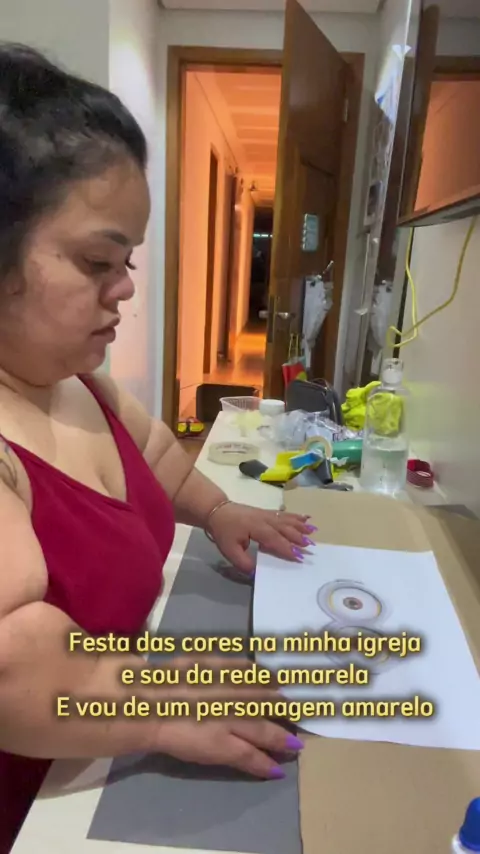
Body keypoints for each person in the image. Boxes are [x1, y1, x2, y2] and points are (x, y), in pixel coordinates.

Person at [0, 44, 317, 851]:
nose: (126, 288)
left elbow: (159, 457)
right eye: (96, 262)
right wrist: (164, 703)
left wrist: (221, 512)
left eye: (128, 262)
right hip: (37, 809)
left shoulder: (79, 383)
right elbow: (14, 667)